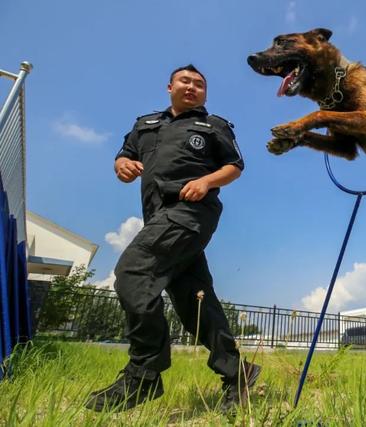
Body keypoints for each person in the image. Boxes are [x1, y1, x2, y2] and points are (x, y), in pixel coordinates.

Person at [85, 64, 260, 413]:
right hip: (157, 216)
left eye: (199, 84)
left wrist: (207, 181)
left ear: (205, 93)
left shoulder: (214, 126)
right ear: (170, 87)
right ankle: (237, 372)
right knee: (194, 301)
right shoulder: (145, 124)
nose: (192, 87)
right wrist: (121, 165)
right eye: (185, 81)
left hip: (191, 213)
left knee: (134, 272)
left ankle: (143, 374)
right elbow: (125, 155)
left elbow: (235, 166)